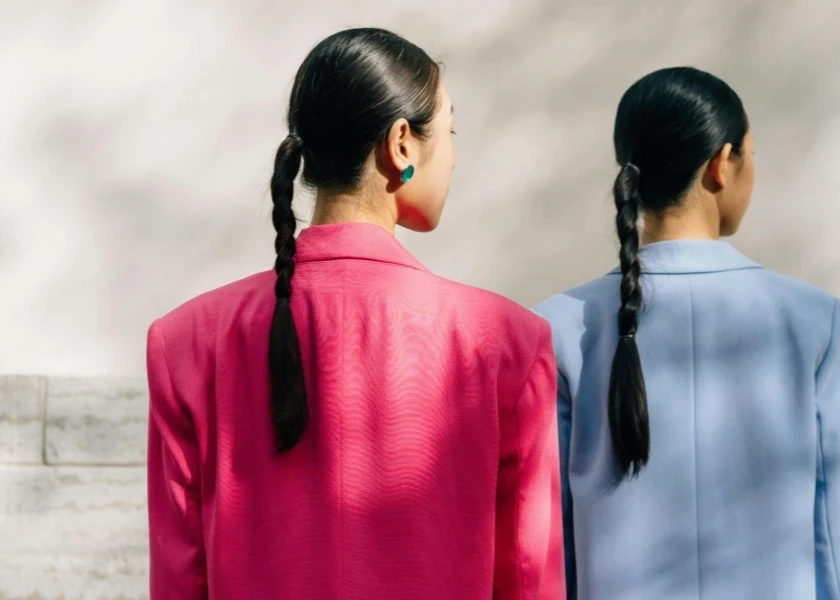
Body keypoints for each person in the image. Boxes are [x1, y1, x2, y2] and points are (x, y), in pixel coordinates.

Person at [146, 28, 563, 600]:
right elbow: (527, 576)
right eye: (450, 130)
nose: (455, 155)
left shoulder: (186, 342)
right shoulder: (506, 343)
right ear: (401, 144)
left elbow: (179, 579)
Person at [534, 67, 840, 599]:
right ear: (720, 165)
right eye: (750, 156)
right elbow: (830, 528)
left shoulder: (557, 323)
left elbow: (551, 537)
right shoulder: (810, 317)